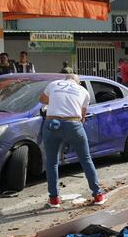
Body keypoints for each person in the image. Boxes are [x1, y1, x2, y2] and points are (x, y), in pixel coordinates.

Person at [38, 72, 105, 208]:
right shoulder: (83, 91)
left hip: (52, 123)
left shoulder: (53, 84)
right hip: (73, 123)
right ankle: (98, 195)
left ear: (65, 79)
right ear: (78, 82)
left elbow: (43, 100)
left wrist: (57, 101)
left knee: (52, 163)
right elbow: (83, 115)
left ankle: (54, 199)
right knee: (86, 159)